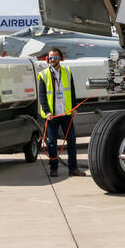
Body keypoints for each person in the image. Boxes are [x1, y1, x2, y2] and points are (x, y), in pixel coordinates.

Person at [36, 47, 84, 177]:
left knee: (72, 141)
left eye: (55, 57)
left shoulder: (67, 72)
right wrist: (46, 112)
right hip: (52, 115)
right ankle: (53, 168)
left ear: (60, 58)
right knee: (52, 143)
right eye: (50, 58)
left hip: (66, 113)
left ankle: (73, 168)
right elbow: (42, 96)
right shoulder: (44, 75)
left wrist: (73, 108)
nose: (52, 60)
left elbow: (72, 91)